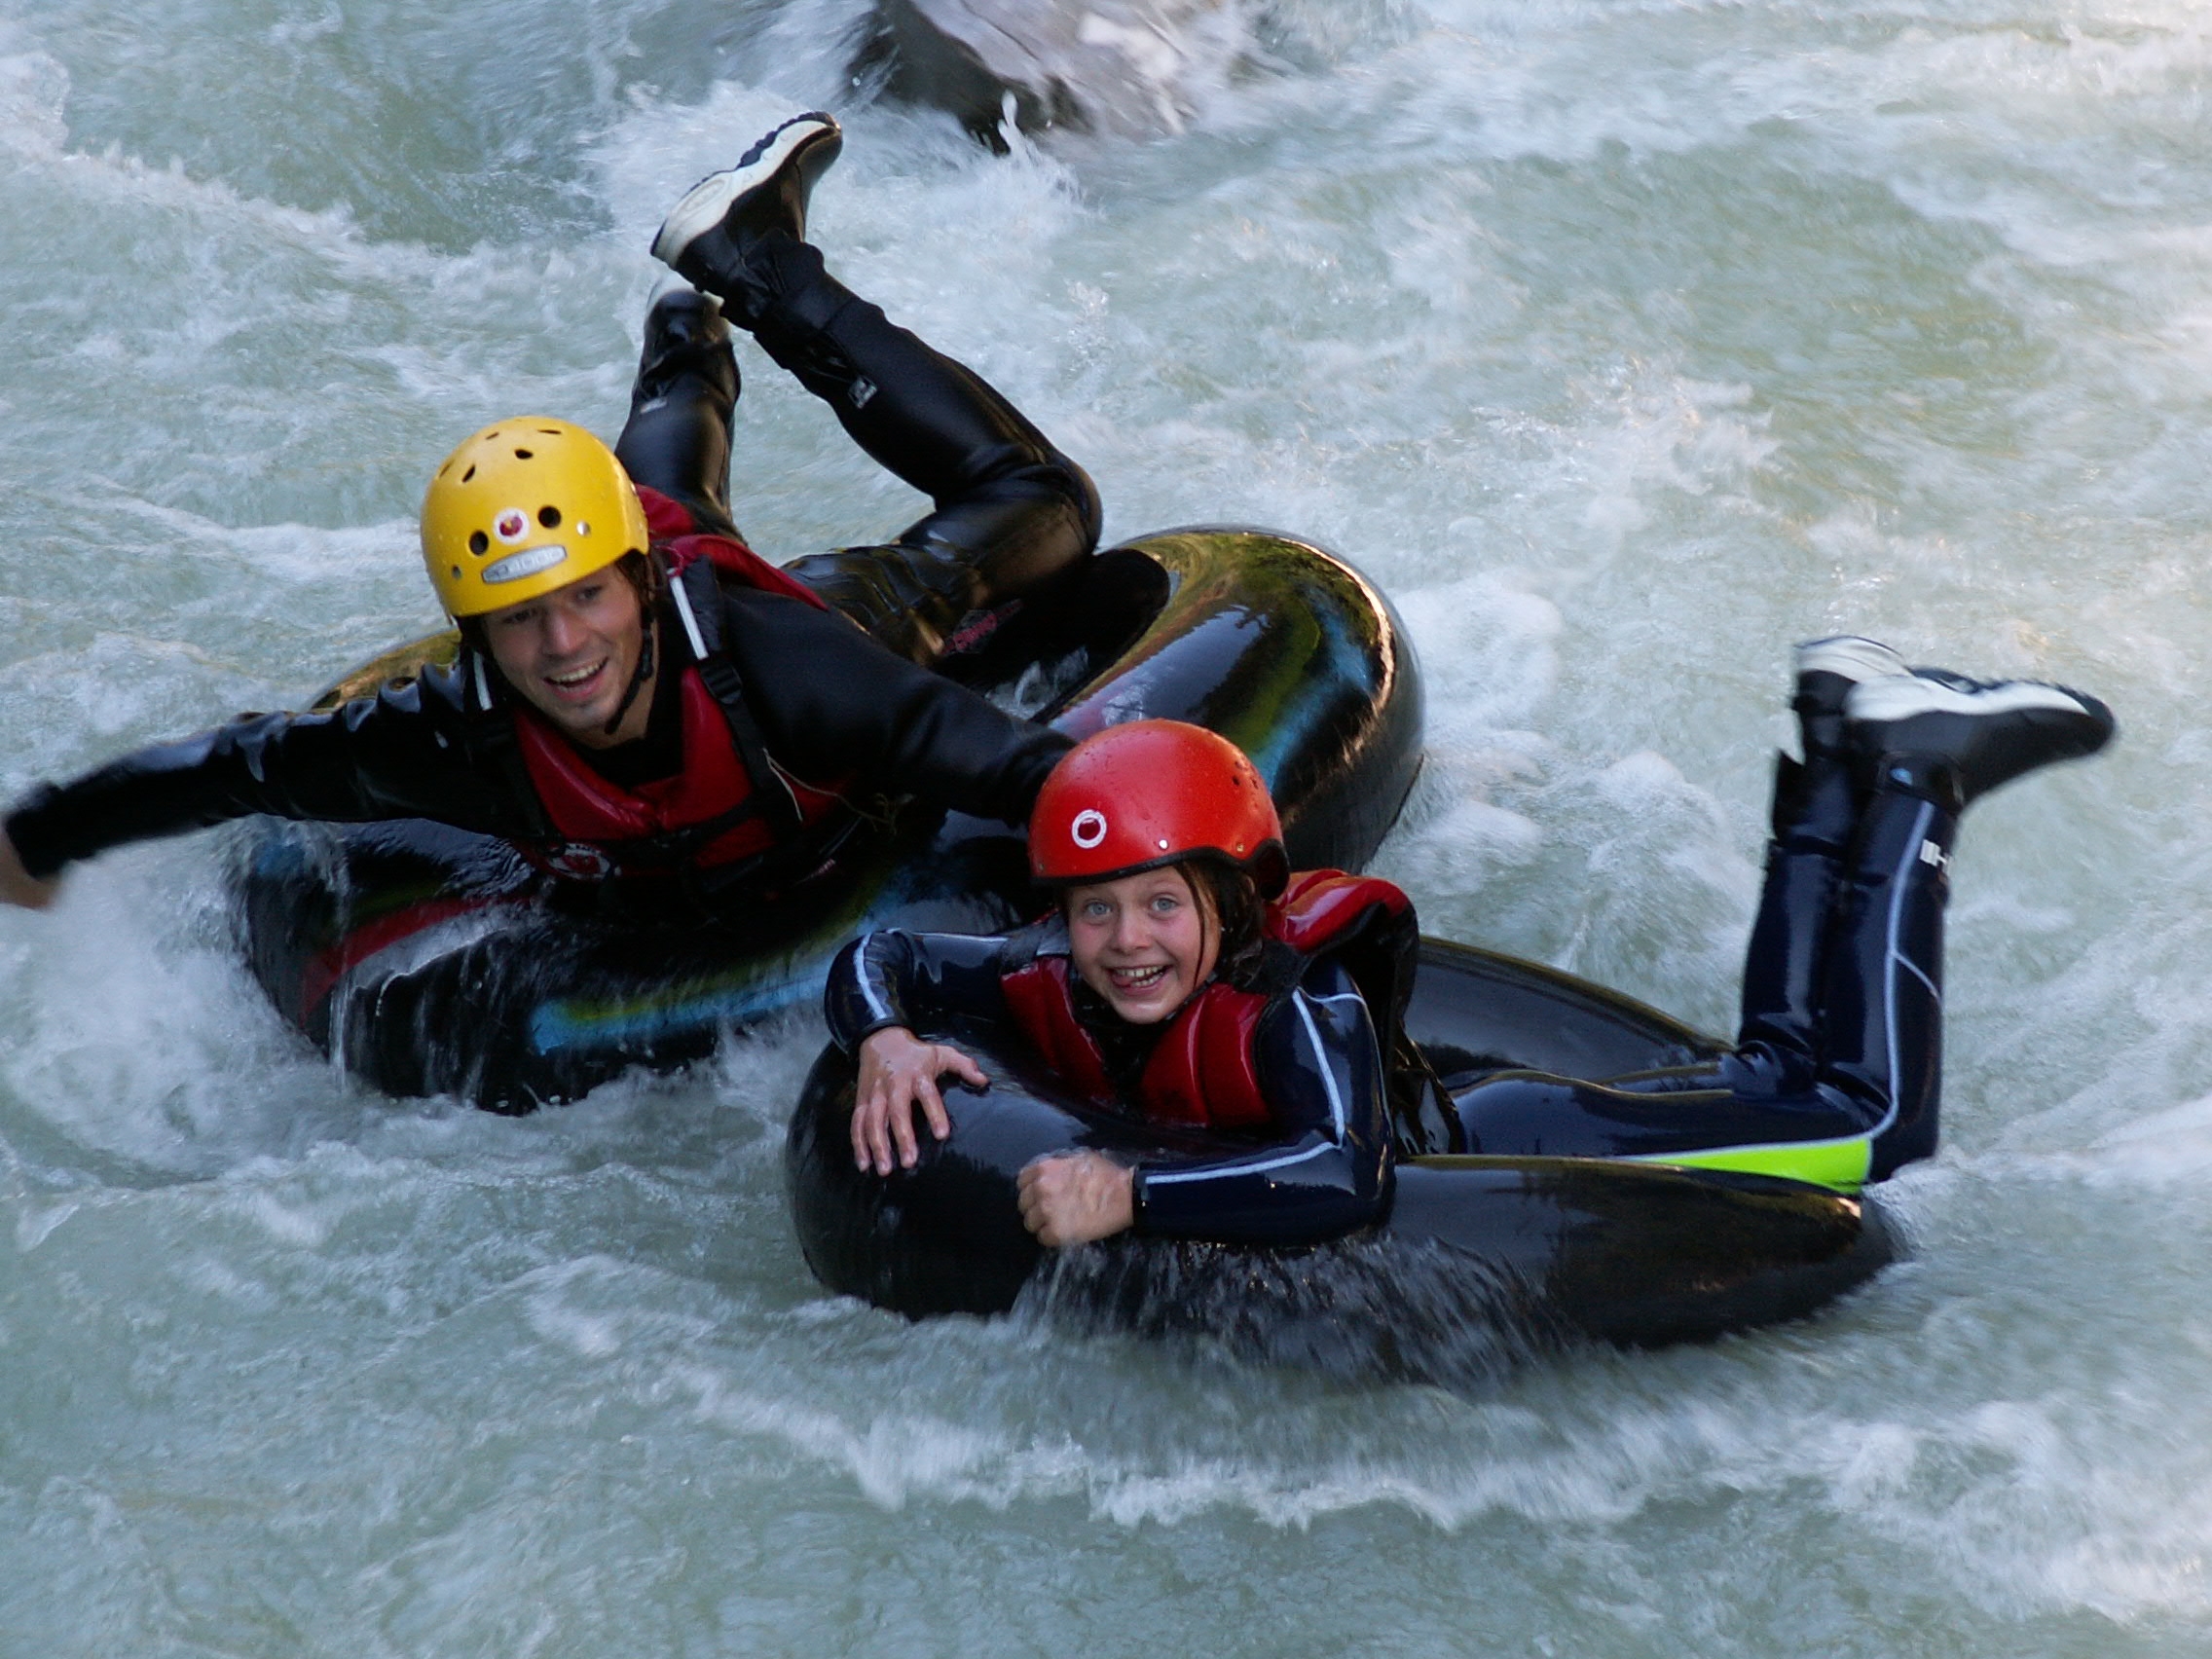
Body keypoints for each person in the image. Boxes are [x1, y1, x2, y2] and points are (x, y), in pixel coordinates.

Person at [0, 113, 1100, 918]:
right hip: (649, 568)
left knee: (1045, 501)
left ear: (642, 584)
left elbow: (1034, 777)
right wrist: (40, 838)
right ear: (476, 636)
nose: (563, 645)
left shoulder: (801, 674)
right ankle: (691, 308)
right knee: (668, 487)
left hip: (824, 617)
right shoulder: (453, 735)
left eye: (584, 600)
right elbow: (243, 765)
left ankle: (756, 268)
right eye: (520, 618)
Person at [822, 642, 2116, 1249]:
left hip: (1531, 1148)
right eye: (1094, 908)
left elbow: (1340, 1176)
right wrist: (884, 1039)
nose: (1125, 942)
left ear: (1234, 900)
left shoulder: (1296, 1010)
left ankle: (1919, 782)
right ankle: (1840, 743)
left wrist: (1132, 1194)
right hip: (1502, 1112)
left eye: (1162, 904)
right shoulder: (1048, 974)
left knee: (1874, 1131)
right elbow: (890, 959)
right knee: (1779, 1072)